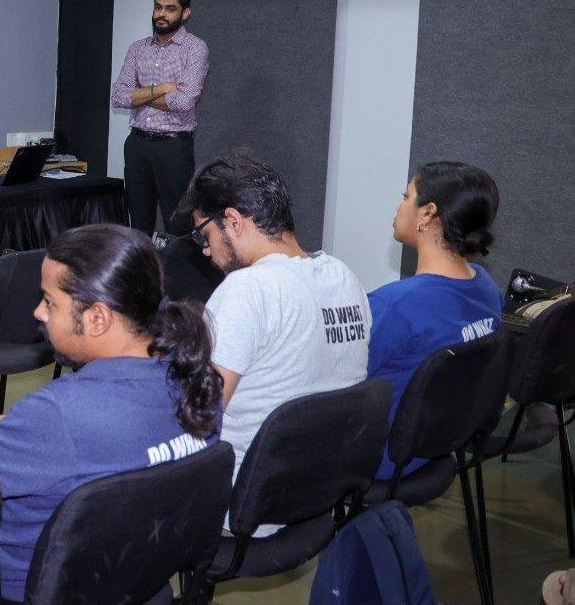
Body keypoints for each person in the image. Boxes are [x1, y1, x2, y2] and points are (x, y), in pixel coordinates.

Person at [0, 223, 223, 602]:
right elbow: (109, 445)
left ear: (97, 319)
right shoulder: (198, 384)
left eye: (50, 302)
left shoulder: (60, 414)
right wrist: (13, 428)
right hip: (139, 574)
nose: (38, 312)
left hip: (31, 590)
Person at [179, 153, 371, 484]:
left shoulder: (247, 289)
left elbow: (199, 419)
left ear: (233, 220)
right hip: (321, 487)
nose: (206, 250)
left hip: (242, 494)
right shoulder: (344, 278)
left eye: (203, 235)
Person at [367, 162, 500, 479]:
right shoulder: (487, 289)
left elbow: (336, 385)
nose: (399, 206)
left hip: (384, 457)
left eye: (406, 197)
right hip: (443, 443)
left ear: (427, 214)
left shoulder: (395, 305)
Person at [110, 0, 209, 241]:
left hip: (173, 147)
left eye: (170, 9)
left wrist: (140, 95)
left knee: (178, 225)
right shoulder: (138, 48)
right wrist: (163, 88)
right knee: (138, 224)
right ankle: (141, 268)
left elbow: (184, 101)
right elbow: (119, 96)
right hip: (137, 145)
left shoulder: (195, 48)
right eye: (158, 7)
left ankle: (178, 269)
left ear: (185, 13)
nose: (161, 14)